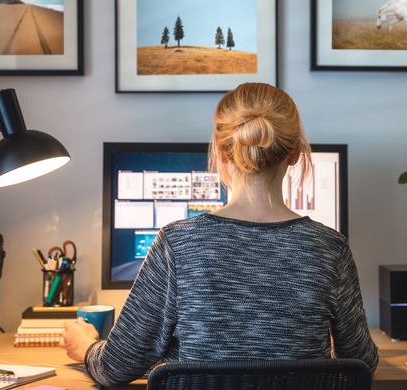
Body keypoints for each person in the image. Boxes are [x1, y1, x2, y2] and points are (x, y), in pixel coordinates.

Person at [60, 82, 378, 386]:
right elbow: (362, 362)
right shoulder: (330, 247)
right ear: (294, 154)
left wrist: (87, 347)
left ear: (222, 154)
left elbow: (116, 367)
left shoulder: (176, 243)